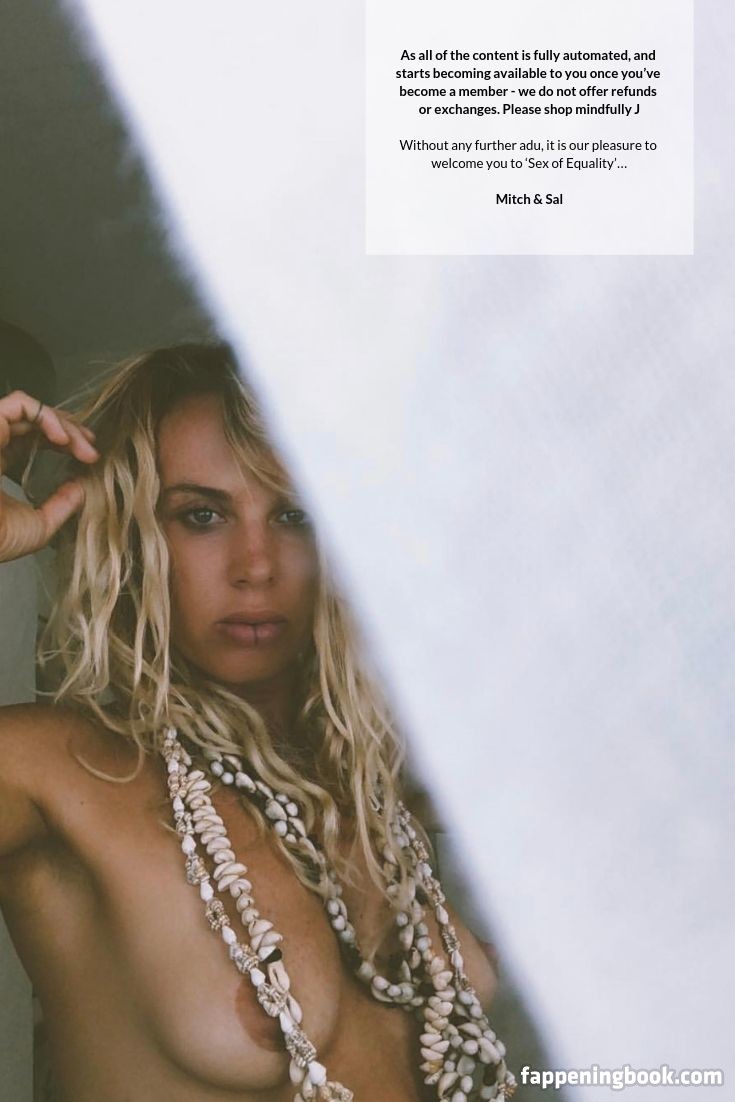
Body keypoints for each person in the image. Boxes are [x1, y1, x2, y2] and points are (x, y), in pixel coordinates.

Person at [0, 344, 515, 1102]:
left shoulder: (379, 791)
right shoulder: (51, 771)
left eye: (294, 515)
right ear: (135, 534)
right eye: (201, 515)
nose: (256, 565)